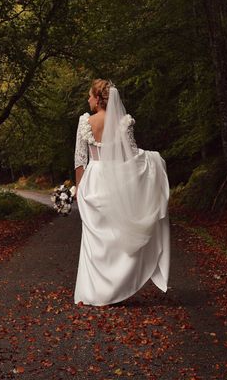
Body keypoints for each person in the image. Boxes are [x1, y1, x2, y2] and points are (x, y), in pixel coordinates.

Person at [73, 79, 170, 306]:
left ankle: (94, 292)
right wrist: (153, 160)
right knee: (113, 236)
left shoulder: (85, 122)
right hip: (115, 180)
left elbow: (80, 159)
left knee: (94, 237)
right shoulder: (123, 123)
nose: (88, 99)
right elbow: (132, 155)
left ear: (98, 99)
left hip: (93, 179)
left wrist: (78, 187)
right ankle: (113, 287)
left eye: (90, 95)